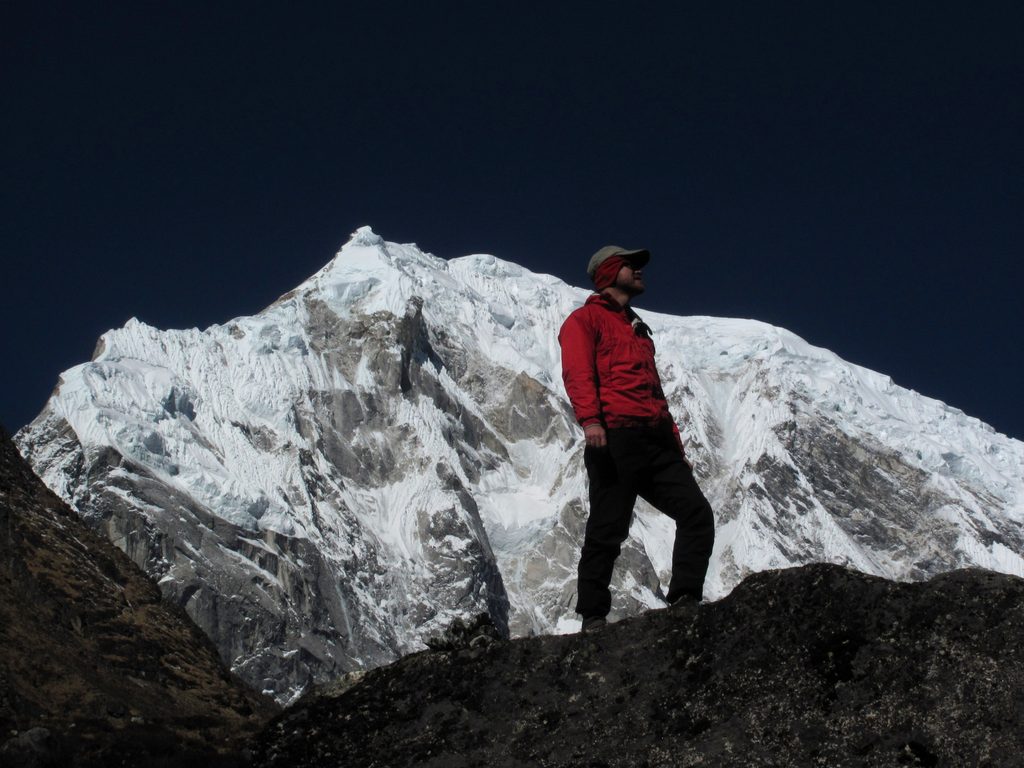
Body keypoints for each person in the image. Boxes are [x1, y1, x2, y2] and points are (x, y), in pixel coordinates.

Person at [558, 245, 715, 632]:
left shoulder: (638, 328)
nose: (640, 271)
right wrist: (591, 422)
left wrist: (676, 447)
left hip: (657, 441)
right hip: (615, 438)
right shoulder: (585, 321)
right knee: (608, 528)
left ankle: (684, 600)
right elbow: (578, 373)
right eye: (631, 266)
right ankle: (593, 616)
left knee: (697, 513)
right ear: (611, 273)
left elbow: (655, 393)